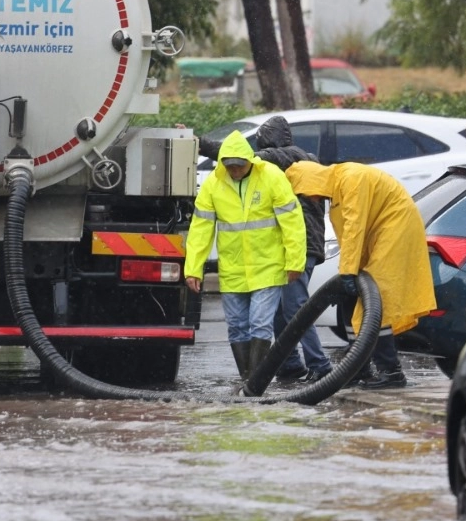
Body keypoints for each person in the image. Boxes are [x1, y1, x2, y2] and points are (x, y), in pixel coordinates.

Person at [285, 160, 436, 389]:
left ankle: (391, 372)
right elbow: (348, 234)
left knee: (377, 299)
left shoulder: (351, 179)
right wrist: (347, 273)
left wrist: (347, 271)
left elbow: (354, 228)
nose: (307, 199)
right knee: (351, 299)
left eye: (304, 193)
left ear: (311, 181)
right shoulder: (337, 190)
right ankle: (358, 369)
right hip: (378, 234)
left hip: (396, 229)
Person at [184, 131, 307, 381]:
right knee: (238, 327)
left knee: (259, 324)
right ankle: (248, 379)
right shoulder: (213, 184)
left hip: (268, 267)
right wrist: (193, 268)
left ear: (250, 161)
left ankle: (256, 382)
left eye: (239, 165)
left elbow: (292, 222)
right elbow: (200, 229)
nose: (235, 170)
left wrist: (295, 261)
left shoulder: (271, 177)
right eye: (229, 166)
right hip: (233, 270)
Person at [250, 116, 334, 383]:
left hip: (301, 246)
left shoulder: (288, 157)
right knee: (279, 310)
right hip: (296, 245)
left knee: (296, 309)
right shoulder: (302, 158)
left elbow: (242, 156)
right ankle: (289, 364)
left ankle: (319, 364)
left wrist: (201, 146)